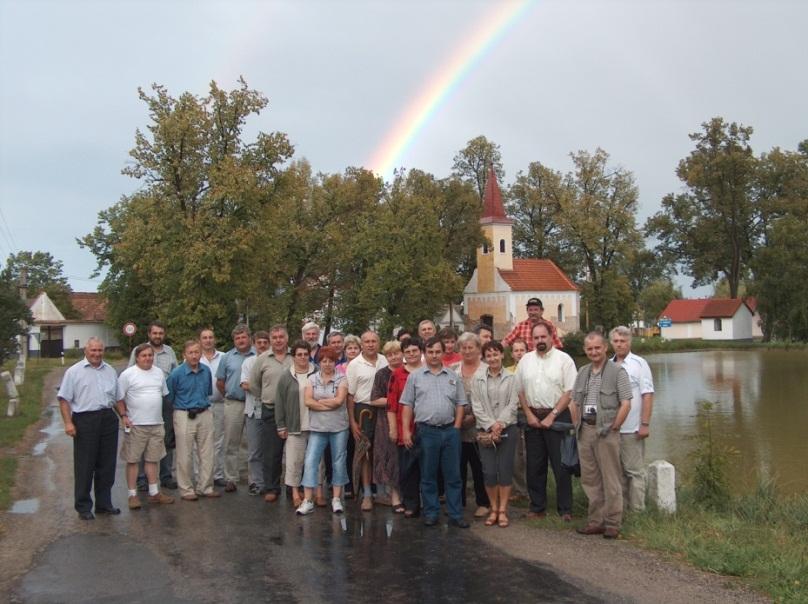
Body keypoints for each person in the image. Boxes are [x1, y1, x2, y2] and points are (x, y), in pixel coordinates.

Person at [400, 336, 469, 528]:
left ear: (443, 353)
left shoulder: (453, 376)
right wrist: (406, 431)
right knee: (428, 475)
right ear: (425, 353)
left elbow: (461, 403)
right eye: (430, 352)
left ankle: (455, 515)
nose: (434, 355)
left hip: (450, 431)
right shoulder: (415, 377)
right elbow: (407, 405)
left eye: (437, 352)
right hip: (426, 431)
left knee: (453, 475)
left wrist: (456, 427)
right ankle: (431, 513)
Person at [572, 332, 632, 539]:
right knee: (590, 479)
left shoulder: (618, 372)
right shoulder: (582, 372)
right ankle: (595, 521)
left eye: (597, 348)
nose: (594, 352)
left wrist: (616, 425)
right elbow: (574, 401)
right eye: (589, 349)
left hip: (606, 432)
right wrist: (576, 423)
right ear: (585, 350)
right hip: (585, 431)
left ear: (605, 347)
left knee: (611, 478)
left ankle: (613, 523)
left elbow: (626, 403)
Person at [515, 321, 577, 521]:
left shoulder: (564, 360)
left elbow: (569, 391)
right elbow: (519, 390)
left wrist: (552, 415)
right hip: (533, 416)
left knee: (561, 465)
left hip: (558, 416)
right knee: (535, 465)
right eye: (536, 338)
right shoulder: (525, 360)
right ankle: (537, 507)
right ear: (531, 340)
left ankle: (565, 509)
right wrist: (529, 414)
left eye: (543, 337)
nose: (540, 341)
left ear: (551, 337)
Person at [57, 337, 120, 520]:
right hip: (85, 420)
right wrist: (68, 423)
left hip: (107, 418)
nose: (96, 354)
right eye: (93, 350)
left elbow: (117, 398)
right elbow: (64, 400)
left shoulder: (110, 370)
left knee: (107, 465)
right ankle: (83, 506)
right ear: (86, 350)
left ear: (104, 351)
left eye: (100, 350)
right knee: (85, 465)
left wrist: (124, 416)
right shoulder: (74, 372)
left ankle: (104, 504)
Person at [117, 343, 175, 509]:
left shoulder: (158, 373)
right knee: (133, 460)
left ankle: (154, 492)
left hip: (156, 424)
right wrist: (124, 416)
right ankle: (132, 495)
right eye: (144, 355)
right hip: (136, 425)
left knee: (152, 459)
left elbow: (163, 395)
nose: (148, 358)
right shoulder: (128, 375)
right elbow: (119, 398)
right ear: (137, 357)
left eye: (150, 355)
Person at [471, 340, 519, 528]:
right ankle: (493, 507)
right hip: (485, 431)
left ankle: (502, 511)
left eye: (495, 354)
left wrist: (500, 423)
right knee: (490, 472)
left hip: (508, 428)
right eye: (488, 355)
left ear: (502, 355)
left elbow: (513, 403)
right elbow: (476, 405)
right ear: (484, 358)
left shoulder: (512, 378)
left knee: (505, 471)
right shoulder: (478, 378)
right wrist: (491, 425)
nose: (492, 358)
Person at [298, 346, 350, 515]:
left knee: (338, 461)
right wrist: (329, 401)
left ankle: (336, 499)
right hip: (317, 427)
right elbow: (307, 401)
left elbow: (339, 401)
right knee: (311, 460)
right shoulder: (312, 379)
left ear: (336, 362)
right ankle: (307, 500)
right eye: (324, 361)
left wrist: (319, 402)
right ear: (319, 362)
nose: (327, 364)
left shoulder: (342, 378)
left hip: (339, 427)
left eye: (331, 361)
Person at [166, 340, 220, 501]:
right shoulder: (176, 373)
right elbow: (169, 396)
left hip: (204, 412)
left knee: (207, 452)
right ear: (184, 355)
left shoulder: (206, 371)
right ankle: (186, 489)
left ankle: (206, 486)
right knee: (185, 454)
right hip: (184, 414)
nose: (194, 355)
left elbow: (208, 392)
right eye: (190, 352)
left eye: (197, 352)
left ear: (200, 353)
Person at [609, 325, 655, 512]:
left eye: (623, 341)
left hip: (632, 429)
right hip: (612, 428)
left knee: (634, 471)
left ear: (629, 342)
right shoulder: (608, 365)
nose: (619, 345)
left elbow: (648, 394)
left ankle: (637, 511)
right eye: (616, 341)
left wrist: (644, 424)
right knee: (617, 472)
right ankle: (621, 510)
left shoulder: (639, 364)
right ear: (611, 343)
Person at [128, 321, 178, 490]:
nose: (158, 336)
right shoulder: (139, 349)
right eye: (155, 333)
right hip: (141, 402)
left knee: (166, 439)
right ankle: (142, 479)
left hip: (165, 400)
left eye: (160, 333)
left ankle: (166, 476)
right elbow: (129, 375)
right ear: (149, 334)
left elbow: (176, 375)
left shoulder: (170, 351)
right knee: (143, 440)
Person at [276, 340, 322, 507]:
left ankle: (318, 492)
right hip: (295, 425)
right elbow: (279, 402)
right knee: (294, 461)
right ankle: (295, 493)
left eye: (305, 354)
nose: (303, 357)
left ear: (310, 354)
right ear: (293, 356)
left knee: (317, 461)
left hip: (317, 425)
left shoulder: (318, 372)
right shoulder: (286, 376)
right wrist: (281, 425)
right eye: (299, 354)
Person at [450, 332, 491, 518]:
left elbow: (491, 398)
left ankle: (483, 502)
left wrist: (473, 417)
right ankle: (458, 503)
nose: (467, 351)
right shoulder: (452, 370)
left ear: (478, 349)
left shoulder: (487, 369)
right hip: (456, 426)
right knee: (457, 466)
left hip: (480, 426)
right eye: (463, 348)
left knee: (479, 466)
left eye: (471, 347)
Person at [249, 324, 292, 503]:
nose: (278, 340)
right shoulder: (262, 359)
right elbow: (254, 384)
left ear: (287, 338)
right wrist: (266, 397)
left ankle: (293, 488)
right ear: (270, 340)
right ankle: (272, 487)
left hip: (293, 410)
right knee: (271, 452)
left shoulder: (295, 356)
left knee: (294, 451)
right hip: (270, 409)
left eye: (281, 337)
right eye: (274, 338)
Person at [346, 330, 388, 511]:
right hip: (363, 410)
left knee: (383, 450)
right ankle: (367, 494)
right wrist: (352, 422)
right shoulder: (355, 365)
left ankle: (382, 492)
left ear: (378, 343)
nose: (370, 344)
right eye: (367, 341)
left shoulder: (385, 360)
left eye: (374, 341)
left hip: (384, 410)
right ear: (361, 344)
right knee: (364, 453)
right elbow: (350, 395)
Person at [215, 324, 255, 493]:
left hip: (253, 401)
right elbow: (220, 381)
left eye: (243, 337)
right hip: (234, 403)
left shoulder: (258, 355)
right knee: (231, 442)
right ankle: (231, 478)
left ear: (249, 338)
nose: (240, 340)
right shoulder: (227, 357)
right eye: (237, 338)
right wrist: (229, 395)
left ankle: (254, 479)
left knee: (254, 443)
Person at [387, 337, 424, 517]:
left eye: (414, 351)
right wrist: (393, 429)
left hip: (426, 427)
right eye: (407, 352)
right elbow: (392, 404)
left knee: (426, 467)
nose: (411, 355)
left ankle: (428, 502)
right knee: (407, 468)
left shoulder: (428, 371)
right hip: (404, 428)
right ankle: (411, 503)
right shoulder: (398, 374)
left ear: (420, 352)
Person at [369, 341, 403, 511]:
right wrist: (395, 401)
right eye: (390, 354)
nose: (394, 357)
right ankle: (394, 496)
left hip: (408, 419)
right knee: (391, 457)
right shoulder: (382, 374)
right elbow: (374, 398)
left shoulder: (409, 372)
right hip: (385, 420)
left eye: (397, 353)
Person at [239, 330, 270, 495]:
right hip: (253, 409)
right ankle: (256, 482)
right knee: (255, 450)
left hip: (272, 410)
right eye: (259, 342)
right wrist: (264, 390)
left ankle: (270, 481)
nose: (263, 345)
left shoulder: (275, 361)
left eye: (266, 342)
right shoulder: (249, 362)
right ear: (254, 344)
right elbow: (244, 384)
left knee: (271, 449)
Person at [199, 327, 226, 486]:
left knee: (219, 441)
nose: (208, 340)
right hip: (201, 407)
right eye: (204, 337)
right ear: (200, 340)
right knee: (201, 443)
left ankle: (218, 474)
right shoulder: (195, 357)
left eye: (210, 337)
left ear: (214, 339)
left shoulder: (224, 357)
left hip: (219, 403)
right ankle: (201, 475)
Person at [506, 337, 529, 498]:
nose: (519, 353)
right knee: (515, 454)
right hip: (513, 414)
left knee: (529, 453)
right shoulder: (507, 372)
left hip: (530, 413)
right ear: (512, 354)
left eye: (522, 350)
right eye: (516, 350)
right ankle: (519, 489)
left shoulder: (534, 369)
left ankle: (531, 488)